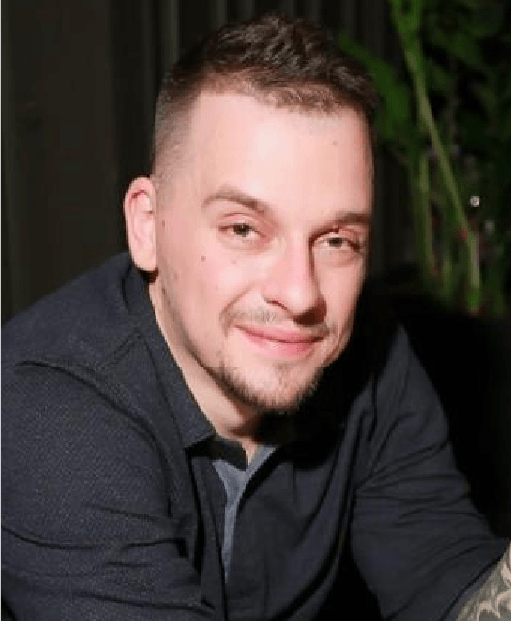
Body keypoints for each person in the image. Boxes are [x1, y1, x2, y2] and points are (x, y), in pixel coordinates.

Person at [0, 12, 507, 621]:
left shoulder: (370, 354)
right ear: (148, 226)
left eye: (336, 241)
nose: (300, 294)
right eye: (244, 229)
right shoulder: (47, 407)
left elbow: (449, 579)